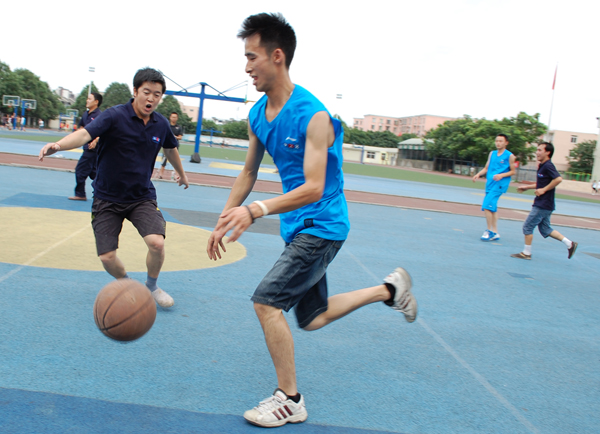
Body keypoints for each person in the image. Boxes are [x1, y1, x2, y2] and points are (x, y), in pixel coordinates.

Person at [206, 13, 418, 428]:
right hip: (297, 227)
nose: (246, 67)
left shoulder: (313, 115)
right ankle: (390, 290)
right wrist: (224, 218)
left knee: (267, 302)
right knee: (312, 316)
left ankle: (290, 399)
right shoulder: (258, 115)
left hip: (322, 224)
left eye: (251, 57)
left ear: (277, 56)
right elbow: (248, 171)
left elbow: (315, 187)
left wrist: (255, 210)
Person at [39, 68, 190, 308]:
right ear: (135, 91)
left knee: (157, 243)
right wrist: (58, 145)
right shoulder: (114, 116)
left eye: (157, 95)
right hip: (106, 198)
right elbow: (84, 134)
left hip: (141, 197)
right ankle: (128, 284)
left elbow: (170, 149)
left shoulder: (161, 124)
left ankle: (152, 286)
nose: (151, 99)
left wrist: (181, 173)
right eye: (147, 92)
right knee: (107, 257)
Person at [511, 142, 577, 260]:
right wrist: (527, 187)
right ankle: (570, 244)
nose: (537, 152)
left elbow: (558, 179)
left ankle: (526, 253)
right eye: (537, 150)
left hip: (543, 204)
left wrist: (544, 190)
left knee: (527, 226)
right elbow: (541, 183)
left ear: (548, 152)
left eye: (540, 150)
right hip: (545, 204)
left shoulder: (548, 165)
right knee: (545, 229)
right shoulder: (542, 166)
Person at [472, 134, 516, 241]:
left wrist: (501, 175)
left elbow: (513, 171)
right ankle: (495, 232)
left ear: (506, 143)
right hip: (490, 183)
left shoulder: (510, 156)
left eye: (501, 141)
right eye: (497, 141)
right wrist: (478, 174)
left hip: (500, 184)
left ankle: (489, 231)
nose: (498, 143)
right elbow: (486, 168)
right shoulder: (492, 154)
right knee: (493, 208)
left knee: (486, 206)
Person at [69, 92, 103, 201]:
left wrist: (96, 140)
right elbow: (82, 128)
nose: (87, 101)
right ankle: (106, 193)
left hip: (93, 149)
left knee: (80, 170)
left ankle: (80, 194)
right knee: (95, 174)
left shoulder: (100, 116)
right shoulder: (85, 114)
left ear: (96, 102)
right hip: (87, 148)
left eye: (89, 99)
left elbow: (103, 131)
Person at [157, 112, 183, 180]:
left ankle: (176, 175)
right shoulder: (167, 125)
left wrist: (174, 137)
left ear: (177, 118)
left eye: (175, 117)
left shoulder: (179, 127)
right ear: (170, 117)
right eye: (172, 117)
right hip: (166, 146)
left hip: (175, 146)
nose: (174, 118)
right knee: (164, 160)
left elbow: (180, 137)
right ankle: (161, 174)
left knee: (176, 161)